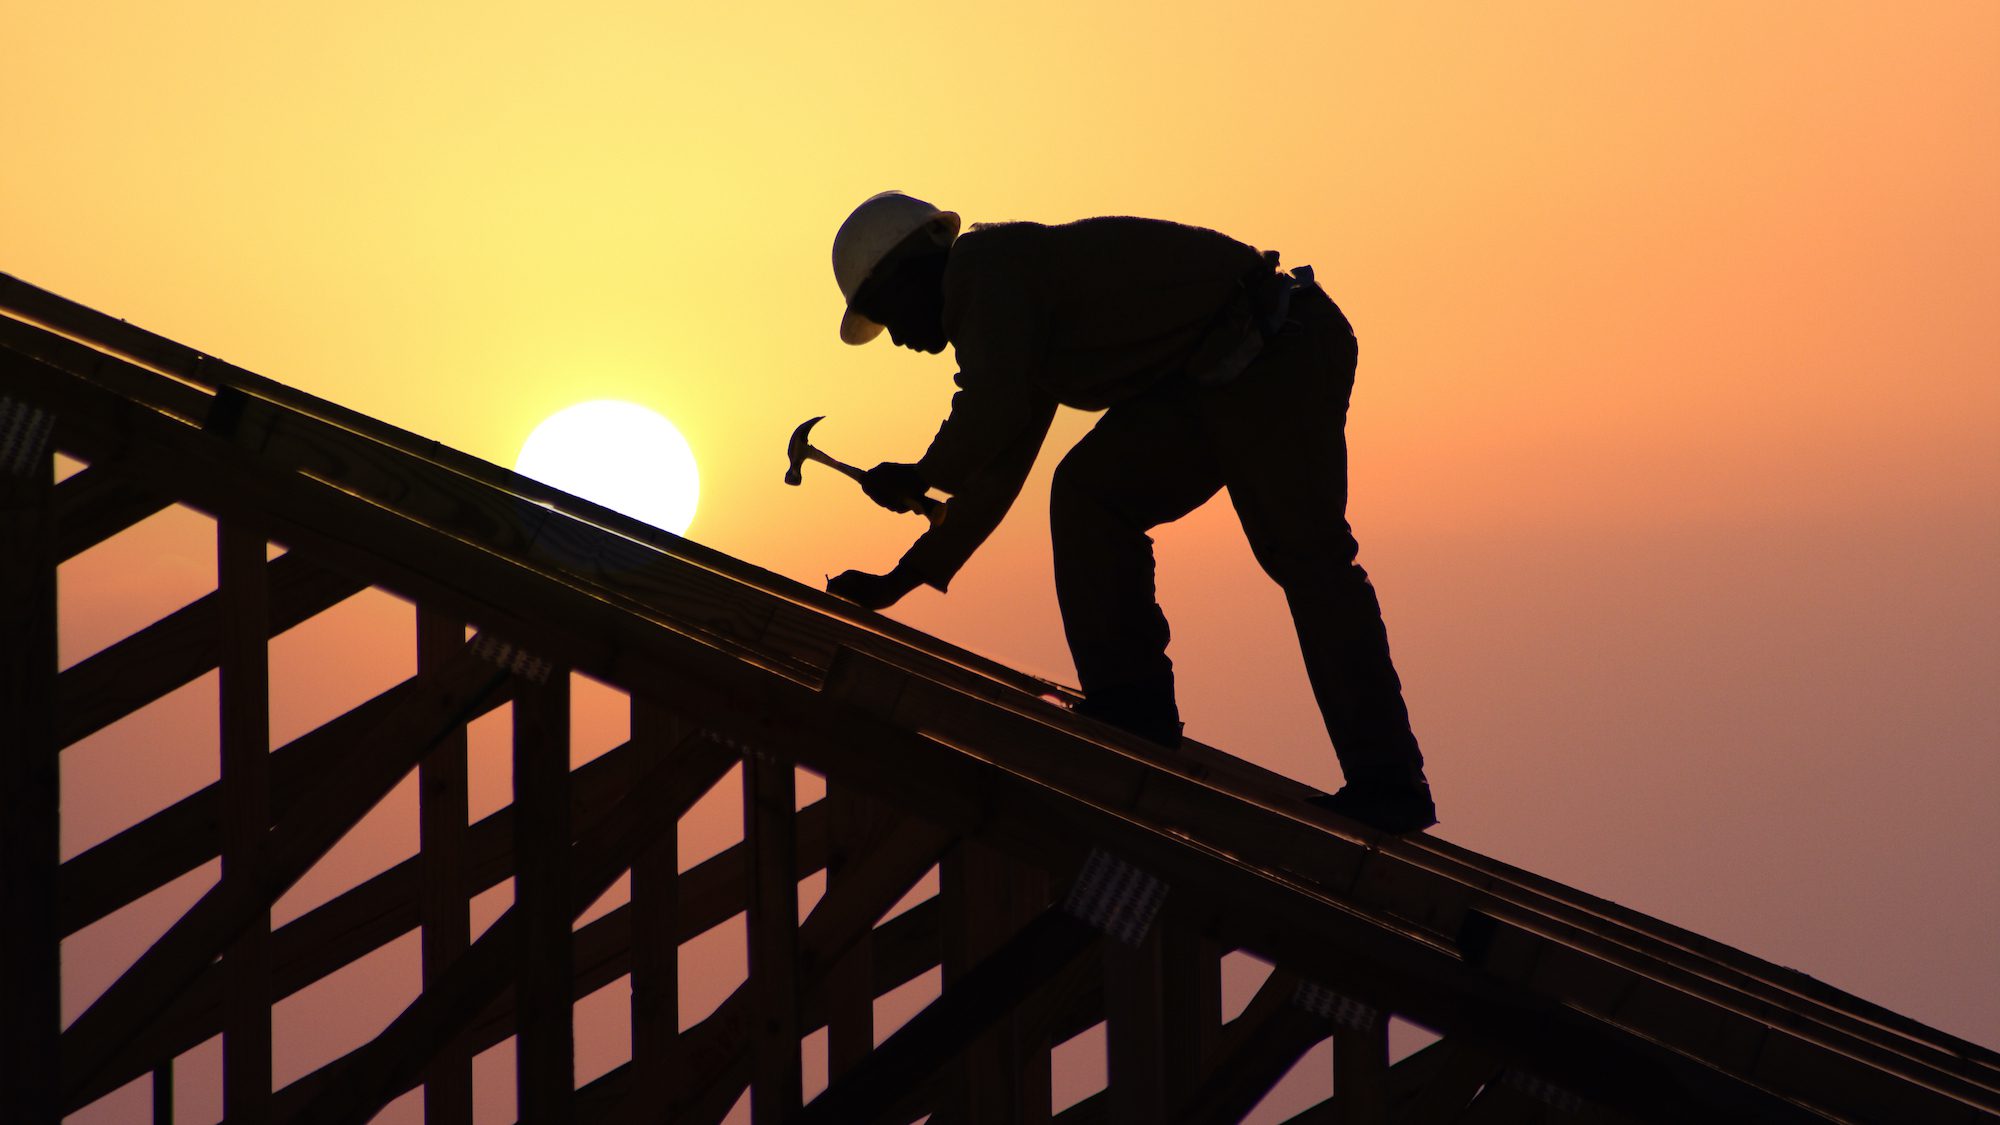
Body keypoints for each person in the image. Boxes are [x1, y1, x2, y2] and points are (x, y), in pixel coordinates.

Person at [822, 191, 1436, 834]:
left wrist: (921, 474)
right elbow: (997, 468)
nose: (897, 337)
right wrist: (903, 577)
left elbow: (991, 409)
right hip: (1211, 375)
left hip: (1277, 349)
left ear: (910, 272)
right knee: (1090, 493)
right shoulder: (1006, 315)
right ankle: (1134, 706)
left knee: (1308, 557)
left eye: (888, 314)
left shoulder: (987, 273)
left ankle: (1389, 782)